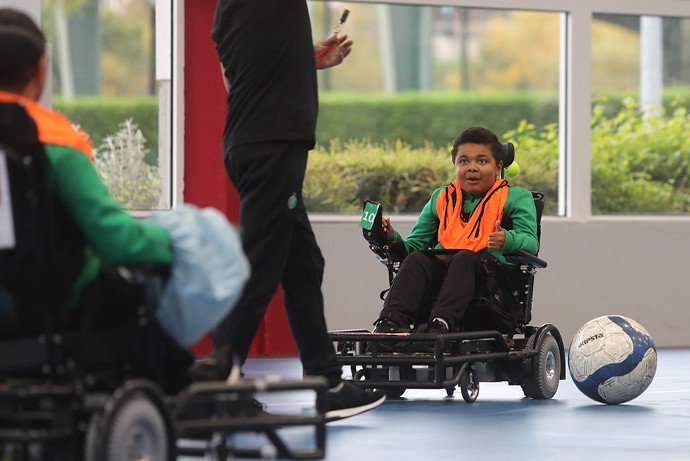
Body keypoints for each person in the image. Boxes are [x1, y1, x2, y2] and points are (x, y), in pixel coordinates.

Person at [0, 8, 248, 385]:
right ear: (40, 72)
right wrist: (181, 237)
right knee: (132, 289)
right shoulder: (54, 145)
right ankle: (180, 377)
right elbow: (117, 242)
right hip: (51, 308)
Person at [210, 0, 386, 422]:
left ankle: (325, 381)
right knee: (259, 267)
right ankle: (217, 386)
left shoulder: (228, 13)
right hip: (274, 146)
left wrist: (303, 60)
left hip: (254, 144)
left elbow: (239, 76)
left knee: (303, 264)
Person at [371, 126, 539, 343]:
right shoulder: (441, 198)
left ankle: (441, 325)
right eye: (463, 161)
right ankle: (390, 326)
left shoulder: (516, 197)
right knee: (416, 259)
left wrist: (508, 239)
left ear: (498, 167)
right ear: (455, 165)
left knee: (464, 258)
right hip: (446, 272)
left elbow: (531, 243)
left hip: (492, 281)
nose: (471, 168)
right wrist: (391, 237)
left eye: (481, 161)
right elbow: (414, 246)